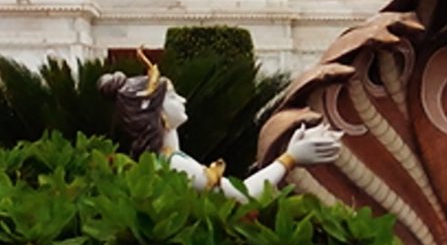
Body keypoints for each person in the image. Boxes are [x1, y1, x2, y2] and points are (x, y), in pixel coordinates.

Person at [100, 50, 342, 202]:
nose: (183, 100)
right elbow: (242, 196)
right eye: (172, 97)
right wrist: (290, 158)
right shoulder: (174, 165)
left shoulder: (165, 159)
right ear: (159, 114)